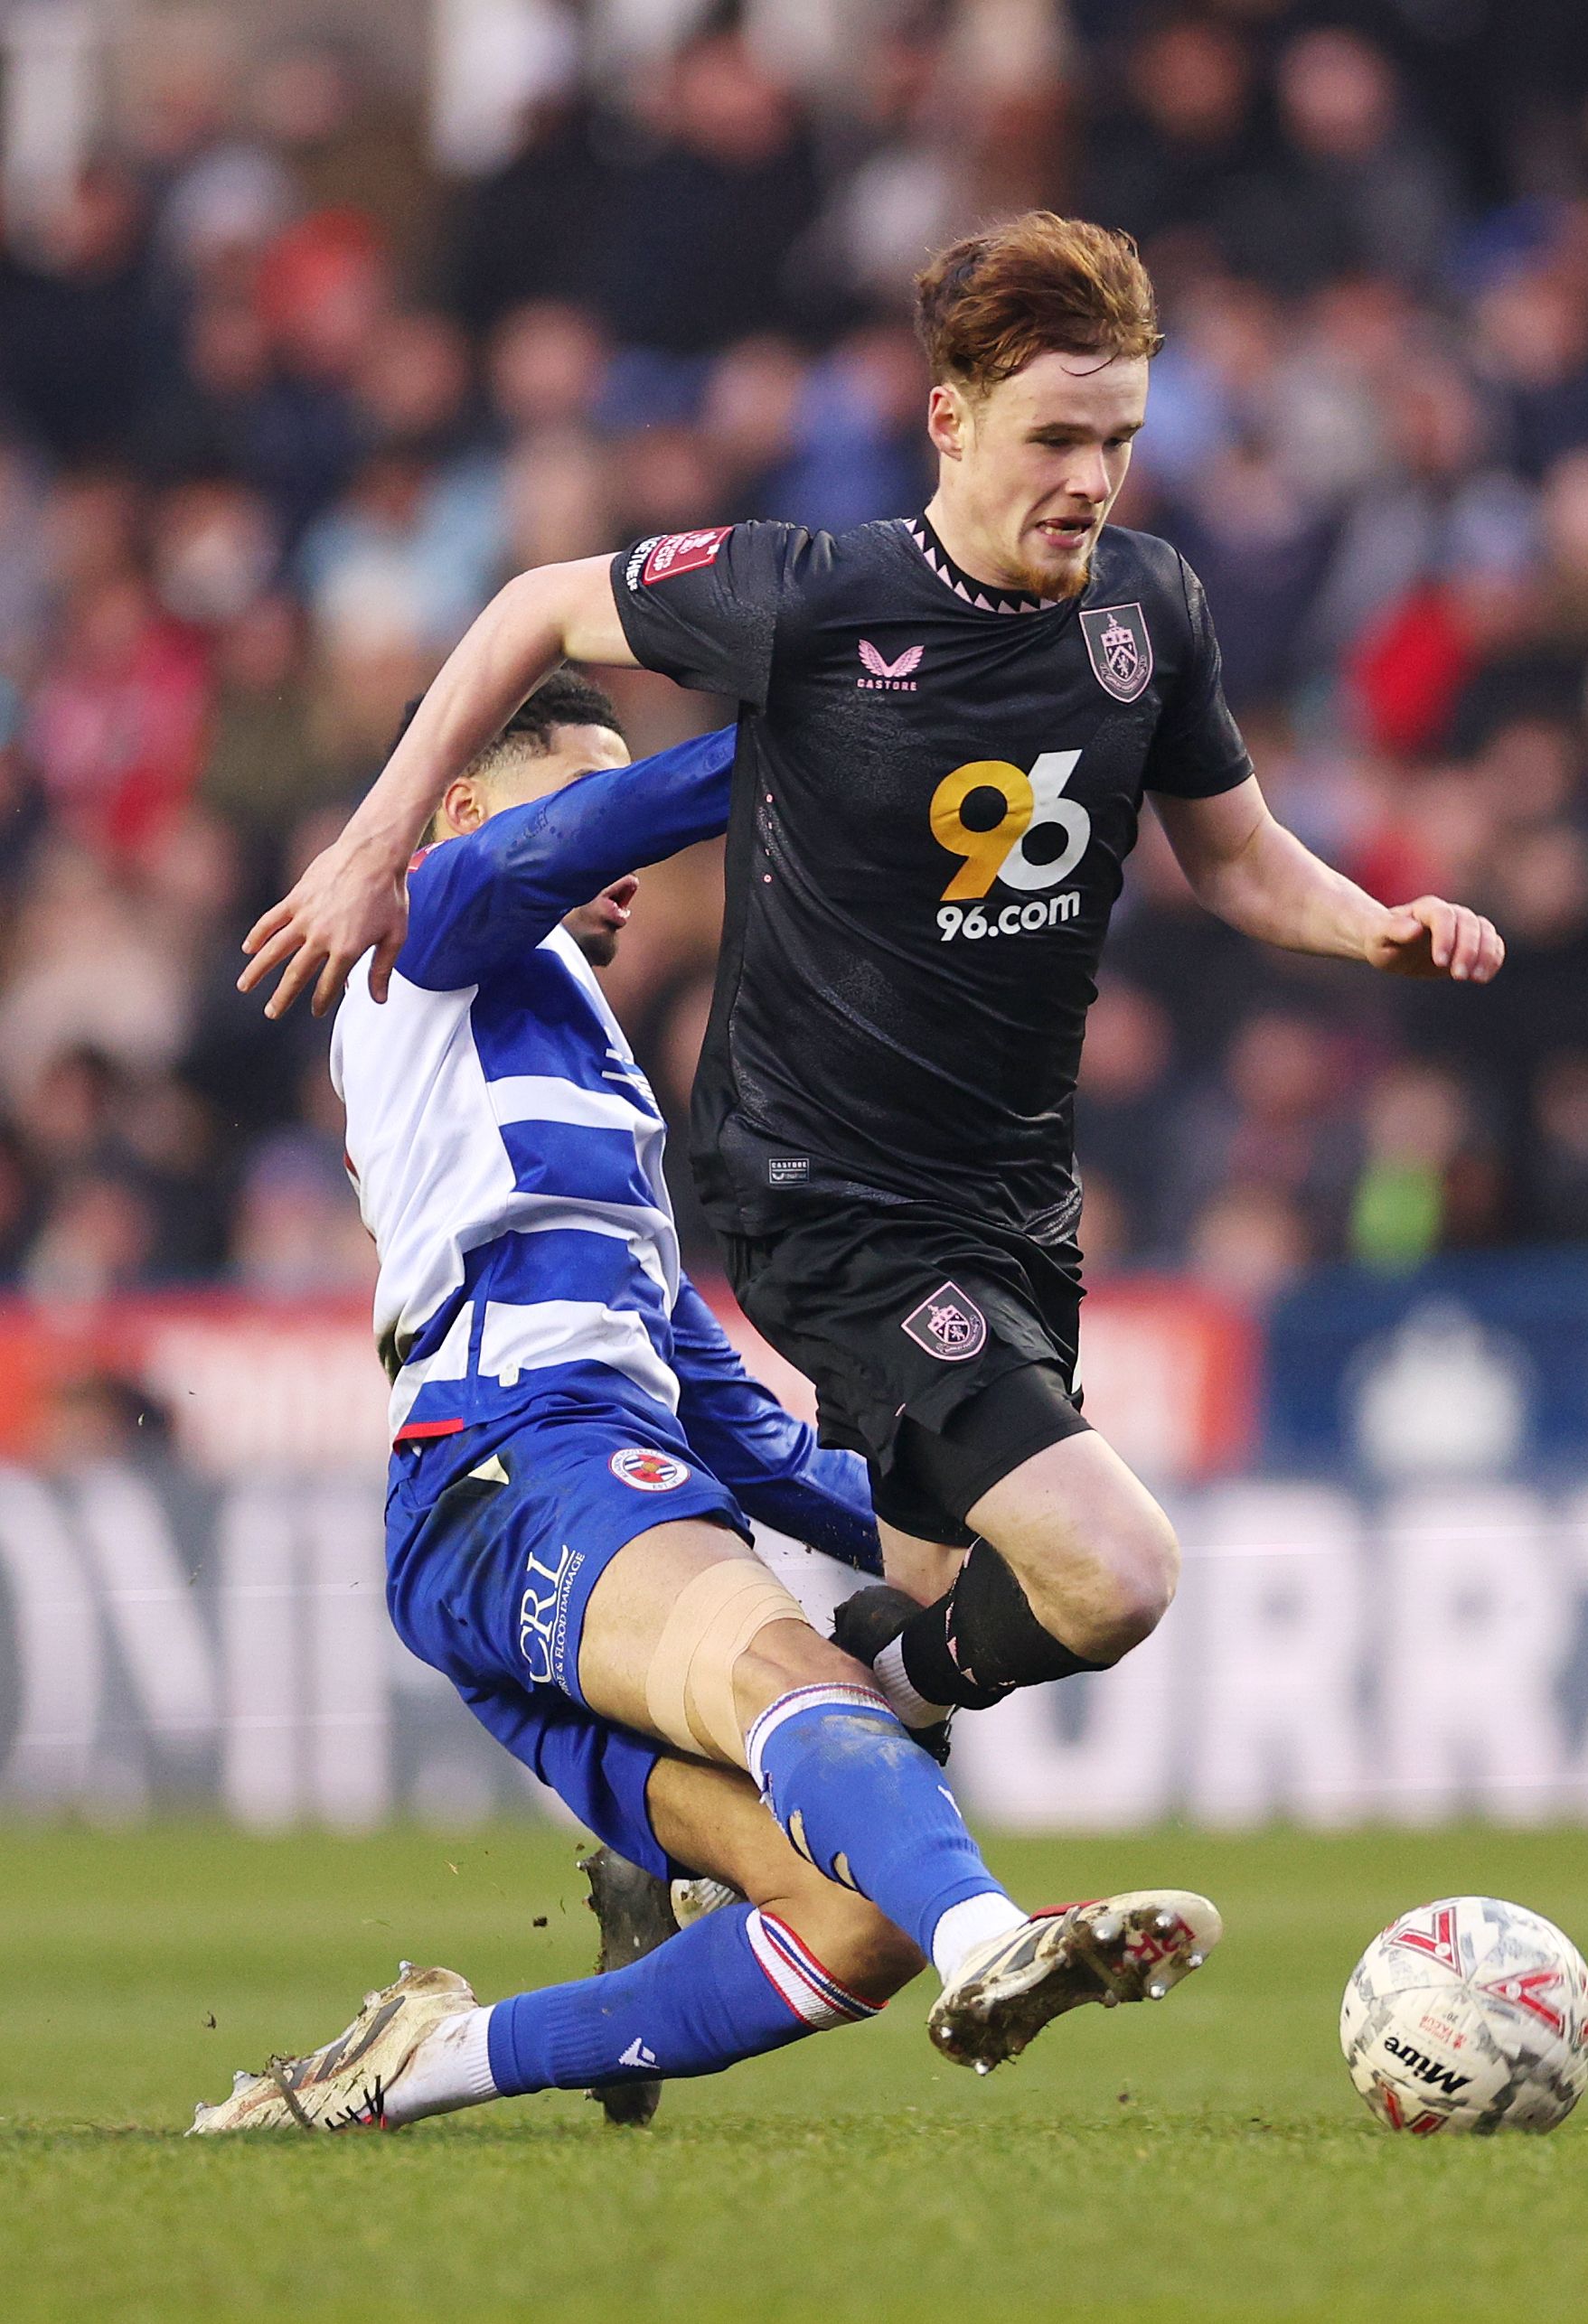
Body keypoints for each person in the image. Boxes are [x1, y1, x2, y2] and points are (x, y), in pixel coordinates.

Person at [238, 211, 1503, 1750]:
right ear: (950, 422)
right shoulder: (815, 597)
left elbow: (1236, 860)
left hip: (1015, 1197)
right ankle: (871, 1693)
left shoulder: (1149, 610)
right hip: (833, 1192)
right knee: (1114, 1571)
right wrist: (376, 843)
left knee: (943, 1626)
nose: (1091, 480)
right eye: (1055, 439)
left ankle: (792, 1757)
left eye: (1119, 440)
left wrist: (1371, 924)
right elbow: (529, 609)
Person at [193, 673, 1219, 2135]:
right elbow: (574, 840)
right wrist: (846, 731)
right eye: (578, 793)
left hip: (564, 1489)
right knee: (801, 1687)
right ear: (464, 806)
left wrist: (987, 1512)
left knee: (853, 1924)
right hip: (512, 1460)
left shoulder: (594, 1081)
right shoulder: (418, 921)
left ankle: (427, 2063)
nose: (620, 855)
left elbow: (751, 1438)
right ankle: (994, 1940)